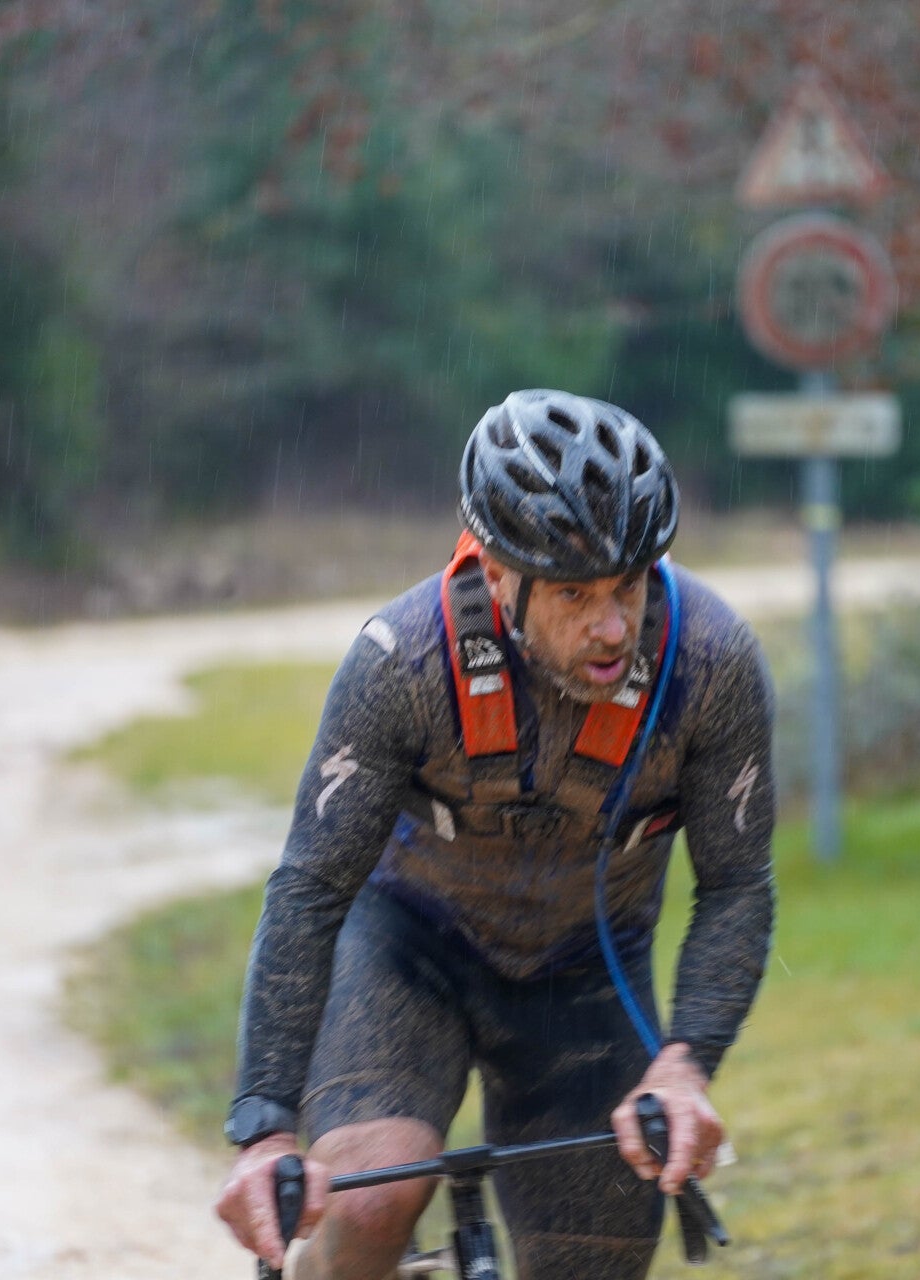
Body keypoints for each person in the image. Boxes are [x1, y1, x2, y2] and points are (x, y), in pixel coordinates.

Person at [213, 389, 777, 1280]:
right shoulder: (402, 661)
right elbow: (311, 887)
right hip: (407, 952)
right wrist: (266, 1129)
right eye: (574, 593)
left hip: (587, 973)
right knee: (372, 1199)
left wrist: (684, 1065)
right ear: (498, 573)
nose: (612, 628)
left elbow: (738, 884)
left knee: (593, 1260)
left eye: (630, 586)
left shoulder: (712, 663)